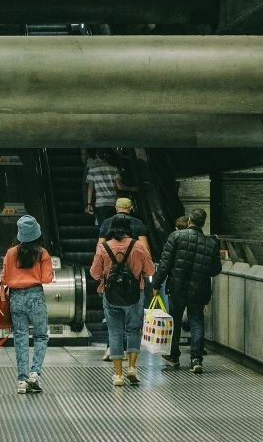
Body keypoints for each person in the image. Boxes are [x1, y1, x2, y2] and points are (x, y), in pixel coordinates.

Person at [153, 208, 222, 374]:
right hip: (199, 289)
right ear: (203, 223)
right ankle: (196, 359)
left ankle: (173, 357)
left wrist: (156, 284)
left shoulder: (175, 237)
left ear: (189, 220)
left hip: (177, 287)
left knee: (175, 321)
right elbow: (215, 269)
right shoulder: (211, 243)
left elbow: (165, 264)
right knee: (196, 320)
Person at [90, 214, 154, 386]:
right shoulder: (139, 246)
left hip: (111, 295)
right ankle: (132, 368)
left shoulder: (103, 247)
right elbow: (150, 270)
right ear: (129, 229)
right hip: (135, 295)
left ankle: (118, 375)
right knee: (134, 330)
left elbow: (95, 273)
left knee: (115, 332)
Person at [1, 214, 55, 394]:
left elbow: (5, 278)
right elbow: (47, 279)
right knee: (40, 336)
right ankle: (34, 374)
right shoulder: (42, 253)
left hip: (16, 297)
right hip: (35, 296)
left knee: (21, 338)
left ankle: (22, 381)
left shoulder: (10, 253)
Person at [85, 150, 136, 224]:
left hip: (100, 204)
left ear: (97, 156)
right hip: (113, 204)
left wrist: (89, 204)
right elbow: (120, 186)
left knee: (104, 229)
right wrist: (133, 188)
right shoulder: (114, 169)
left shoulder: (92, 170)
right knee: (114, 227)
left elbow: (90, 188)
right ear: (107, 157)